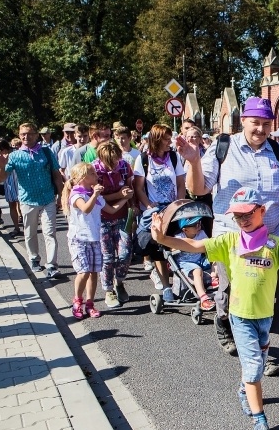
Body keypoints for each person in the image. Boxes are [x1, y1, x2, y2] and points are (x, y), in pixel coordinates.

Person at [151, 186, 279, 430]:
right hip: (240, 317)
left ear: (262, 211)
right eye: (237, 215)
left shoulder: (275, 245)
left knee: (254, 366)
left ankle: (245, 389)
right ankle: (260, 421)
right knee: (254, 368)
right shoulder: (229, 242)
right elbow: (194, 244)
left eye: (247, 213)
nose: (242, 220)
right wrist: (163, 239)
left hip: (265, 317)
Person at [177, 97, 279, 377]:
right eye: (255, 123)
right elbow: (198, 188)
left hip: (272, 238)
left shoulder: (277, 150)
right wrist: (194, 161)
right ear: (243, 121)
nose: (260, 129)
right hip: (233, 241)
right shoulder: (223, 147)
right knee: (229, 296)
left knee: (272, 296)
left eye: (265, 124)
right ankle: (223, 321)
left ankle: (263, 352)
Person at [0, 123, 64, 279]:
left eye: (29, 134)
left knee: (50, 233)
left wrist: (61, 195)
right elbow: (1, 178)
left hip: (47, 199)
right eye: (22, 134)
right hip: (27, 200)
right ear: (19, 136)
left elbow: (56, 175)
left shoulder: (46, 152)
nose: (26, 137)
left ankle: (52, 265)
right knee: (30, 232)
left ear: (36, 135)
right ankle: (34, 258)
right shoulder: (14, 156)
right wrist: (1, 166)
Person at [62, 162, 131, 319]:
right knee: (84, 271)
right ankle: (77, 301)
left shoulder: (95, 195)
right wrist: (94, 195)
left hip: (94, 239)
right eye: (93, 173)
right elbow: (85, 209)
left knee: (93, 273)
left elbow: (111, 209)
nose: (97, 176)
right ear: (83, 177)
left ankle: (90, 303)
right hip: (79, 239)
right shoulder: (76, 194)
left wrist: (125, 199)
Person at [133, 124, 186, 294]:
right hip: (155, 210)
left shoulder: (174, 157)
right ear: (156, 140)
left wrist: (179, 203)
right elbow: (139, 188)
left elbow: (180, 183)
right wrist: (148, 205)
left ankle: (183, 281)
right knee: (158, 247)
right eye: (166, 139)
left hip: (173, 208)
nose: (169, 142)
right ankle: (165, 286)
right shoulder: (143, 160)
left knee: (178, 244)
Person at [93, 141, 135, 309]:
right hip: (102, 218)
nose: (113, 165)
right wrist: (119, 194)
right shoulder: (94, 170)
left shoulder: (124, 166)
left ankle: (120, 282)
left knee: (125, 253)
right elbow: (97, 199)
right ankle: (108, 290)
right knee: (108, 257)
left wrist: (132, 204)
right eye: (110, 162)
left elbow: (130, 187)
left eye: (116, 160)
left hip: (123, 216)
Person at [171, 216, 218, 310]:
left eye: (199, 223)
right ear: (185, 229)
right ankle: (203, 297)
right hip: (185, 262)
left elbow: (208, 246)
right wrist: (178, 247)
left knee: (217, 258)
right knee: (197, 270)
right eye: (195, 225)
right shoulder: (179, 237)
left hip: (199, 258)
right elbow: (172, 249)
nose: (198, 226)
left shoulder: (201, 233)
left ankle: (213, 278)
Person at [0, 138, 23, 237]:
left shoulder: (16, 154)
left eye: (1, 149)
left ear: (5, 148)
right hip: (9, 182)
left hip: (19, 182)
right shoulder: (0, 157)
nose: (0, 152)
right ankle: (16, 227)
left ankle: (27, 226)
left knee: (23, 204)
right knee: (12, 205)